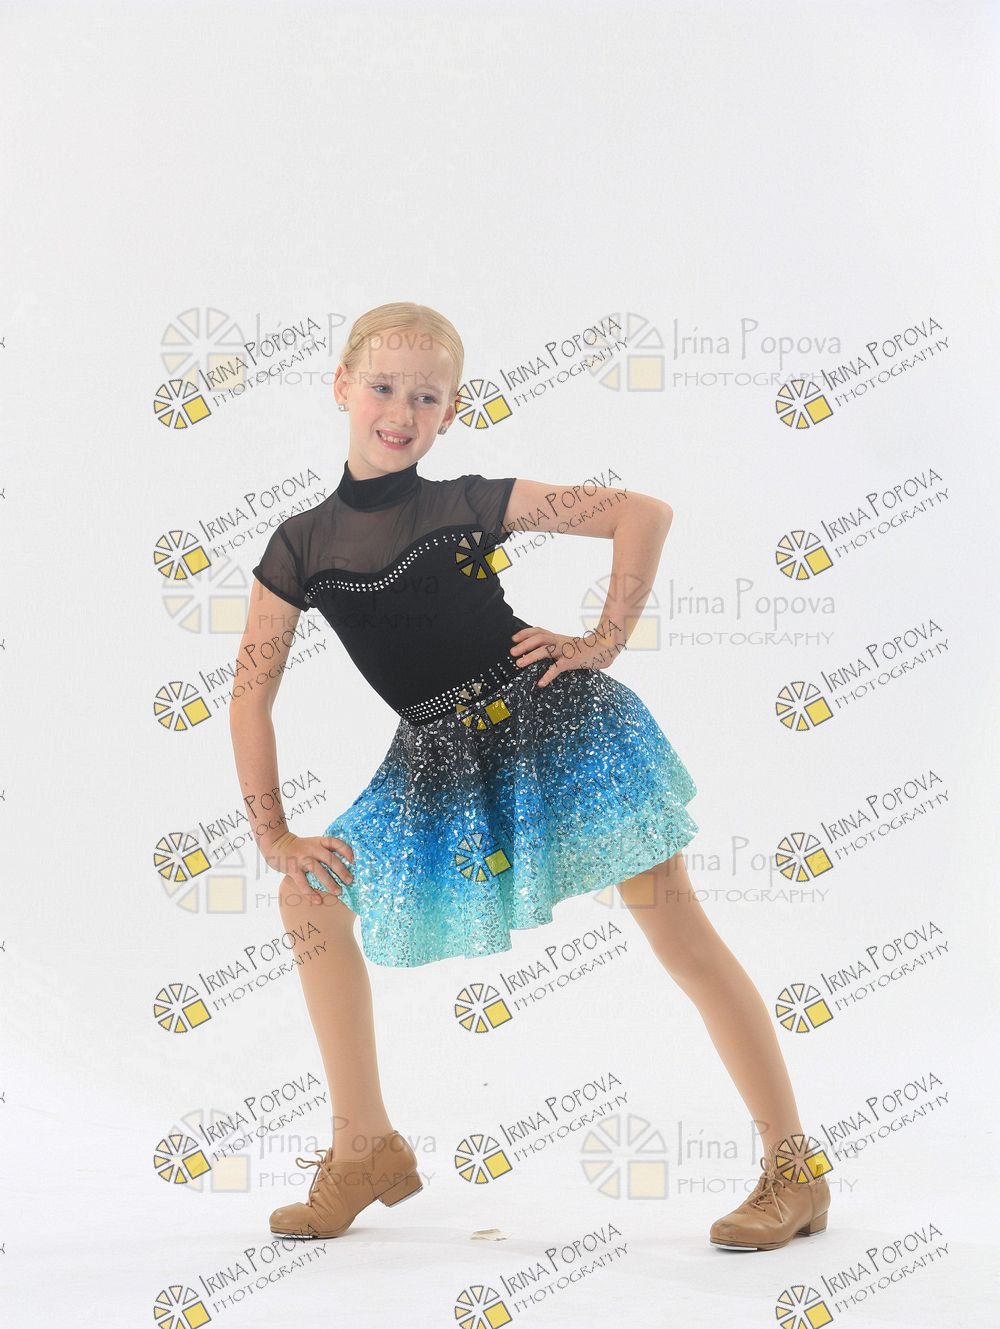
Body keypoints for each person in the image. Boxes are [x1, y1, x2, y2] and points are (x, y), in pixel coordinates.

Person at [230, 300, 830, 1253]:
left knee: (679, 933)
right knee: (308, 893)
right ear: (341, 387)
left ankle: (794, 1170)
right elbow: (249, 698)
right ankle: (363, 1148)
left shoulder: (466, 503)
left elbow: (641, 514)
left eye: (427, 397)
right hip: (438, 760)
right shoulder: (298, 546)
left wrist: (604, 639)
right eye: (382, 387)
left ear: (452, 409)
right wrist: (273, 834)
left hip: (558, 728)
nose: (401, 411)